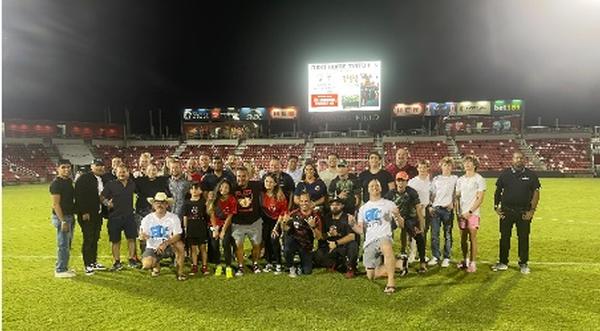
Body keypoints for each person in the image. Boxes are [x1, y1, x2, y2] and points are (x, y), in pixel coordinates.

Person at [492, 151, 541, 274]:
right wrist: (496, 206)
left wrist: (532, 210)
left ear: (524, 160)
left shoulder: (531, 175)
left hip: (524, 212)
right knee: (504, 238)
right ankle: (503, 262)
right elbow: (498, 191)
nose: (519, 160)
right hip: (506, 212)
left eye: (521, 158)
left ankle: (523, 263)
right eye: (516, 158)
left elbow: (536, 193)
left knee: (523, 238)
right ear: (512, 160)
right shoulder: (505, 174)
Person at [356, 179, 401, 294]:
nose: (374, 187)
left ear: (381, 188)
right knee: (371, 276)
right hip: (370, 241)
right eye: (371, 186)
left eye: (377, 185)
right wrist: (352, 224)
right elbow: (361, 230)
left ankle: (391, 283)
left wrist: (397, 216)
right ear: (368, 190)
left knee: (387, 247)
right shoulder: (363, 208)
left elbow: (401, 225)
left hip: (383, 236)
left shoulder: (389, 204)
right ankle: (398, 263)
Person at [385, 171, 428, 274]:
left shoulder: (412, 192)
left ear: (407, 182)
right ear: (396, 181)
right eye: (398, 180)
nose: (400, 183)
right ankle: (384, 259)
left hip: (410, 219)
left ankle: (422, 263)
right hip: (395, 218)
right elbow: (384, 207)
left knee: (419, 237)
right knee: (384, 236)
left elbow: (418, 209)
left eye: (403, 181)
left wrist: (421, 225)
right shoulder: (391, 193)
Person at [100, 164, 140, 271]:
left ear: (128, 173)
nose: (122, 174)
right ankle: (116, 261)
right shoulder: (111, 184)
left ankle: (132, 259)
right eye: (120, 172)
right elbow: (102, 196)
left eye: (124, 172)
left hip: (129, 216)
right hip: (114, 217)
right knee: (115, 240)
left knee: (131, 238)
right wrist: (107, 203)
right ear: (116, 173)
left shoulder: (132, 184)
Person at [140, 192, 187, 281]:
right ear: (153, 205)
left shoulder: (173, 217)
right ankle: (156, 266)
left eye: (162, 203)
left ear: (167, 205)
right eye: (157, 202)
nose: (159, 205)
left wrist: (165, 243)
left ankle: (180, 272)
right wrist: (142, 236)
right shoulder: (147, 218)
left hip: (169, 245)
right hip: (153, 247)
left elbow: (178, 235)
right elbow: (142, 234)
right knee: (147, 265)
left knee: (180, 246)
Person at [277, 192, 323, 278]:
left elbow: (319, 237)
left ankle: (300, 264)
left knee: (307, 271)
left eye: (306, 201)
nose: (303, 203)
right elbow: (285, 229)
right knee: (288, 244)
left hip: (306, 245)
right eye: (301, 201)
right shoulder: (294, 213)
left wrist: (313, 227)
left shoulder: (315, 217)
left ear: (310, 202)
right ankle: (291, 267)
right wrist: (284, 222)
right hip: (293, 241)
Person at [74, 158, 107, 275]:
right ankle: (87, 264)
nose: (100, 167)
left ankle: (93, 262)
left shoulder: (101, 179)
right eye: (97, 165)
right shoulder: (84, 178)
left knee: (95, 238)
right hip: (87, 214)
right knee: (88, 239)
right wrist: (84, 212)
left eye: (102, 165)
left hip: (97, 213)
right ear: (92, 166)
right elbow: (79, 196)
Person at [314, 197, 359, 278]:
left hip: (343, 247)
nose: (334, 207)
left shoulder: (347, 217)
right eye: (332, 205)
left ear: (342, 206)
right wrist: (328, 234)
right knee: (317, 255)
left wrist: (336, 243)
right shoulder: (326, 218)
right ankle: (335, 264)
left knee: (353, 245)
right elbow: (322, 237)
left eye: (337, 205)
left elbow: (352, 236)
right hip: (330, 247)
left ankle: (350, 268)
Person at [455, 155, 486, 273]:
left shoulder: (479, 179)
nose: (467, 164)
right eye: (465, 162)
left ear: (474, 165)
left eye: (470, 162)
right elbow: (457, 197)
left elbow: (480, 198)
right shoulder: (460, 180)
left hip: (473, 213)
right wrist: (458, 212)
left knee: (472, 237)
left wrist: (470, 211)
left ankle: (473, 263)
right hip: (461, 214)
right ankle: (465, 260)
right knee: (463, 238)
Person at [232, 166, 263, 276]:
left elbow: (271, 186)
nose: (241, 178)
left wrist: (278, 191)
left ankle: (255, 264)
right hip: (237, 222)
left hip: (254, 221)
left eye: (244, 176)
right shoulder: (232, 187)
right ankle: (240, 266)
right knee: (238, 245)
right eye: (239, 176)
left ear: (248, 176)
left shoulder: (256, 185)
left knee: (256, 245)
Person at [134, 163, 171, 251]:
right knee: (143, 233)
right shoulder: (139, 180)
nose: (152, 172)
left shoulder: (162, 180)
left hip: (157, 212)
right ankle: (144, 254)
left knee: (158, 233)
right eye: (150, 170)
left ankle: (158, 253)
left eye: (154, 170)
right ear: (146, 171)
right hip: (142, 211)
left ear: (157, 171)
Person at [428, 157, 458, 267]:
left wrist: (453, 204)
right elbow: (432, 194)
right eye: (445, 165)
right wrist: (430, 206)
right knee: (434, 235)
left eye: (449, 165)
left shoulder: (455, 178)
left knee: (448, 235)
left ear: (452, 167)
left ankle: (446, 257)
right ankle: (435, 256)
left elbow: (457, 193)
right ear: (441, 166)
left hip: (448, 210)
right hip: (436, 209)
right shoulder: (436, 179)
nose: (447, 167)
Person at [50, 159, 76, 278]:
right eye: (63, 167)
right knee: (63, 244)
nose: (66, 169)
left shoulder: (69, 181)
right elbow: (56, 204)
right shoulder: (56, 183)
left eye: (68, 167)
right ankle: (60, 269)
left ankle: (64, 266)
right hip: (62, 217)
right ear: (58, 169)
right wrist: (63, 221)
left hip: (70, 216)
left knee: (67, 243)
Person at [207, 179, 238, 278]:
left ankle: (228, 265)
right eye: (222, 187)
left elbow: (229, 216)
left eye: (226, 187)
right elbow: (212, 215)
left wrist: (223, 231)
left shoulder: (232, 199)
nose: (223, 189)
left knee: (225, 243)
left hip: (226, 224)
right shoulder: (215, 198)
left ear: (229, 189)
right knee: (215, 244)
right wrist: (216, 230)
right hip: (214, 224)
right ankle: (218, 265)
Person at [260, 173, 289, 274]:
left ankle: (278, 263)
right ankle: (268, 262)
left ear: (275, 183)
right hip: (265, 221)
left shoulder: (280, 196)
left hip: (276, 221)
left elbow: (283, 212)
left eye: (271, 182)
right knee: (266, 240)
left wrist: (276, 227)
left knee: (274, 240)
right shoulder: (261, 194)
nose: (268, 184)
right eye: (266, 181)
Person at [407, 160, 432, 262]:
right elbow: (408, 196)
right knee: (413, 233)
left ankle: (422, 253)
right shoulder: (412, 181)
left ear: (427, 168)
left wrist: (429, 205)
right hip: (414, 210)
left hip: (425, 209)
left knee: (423, 232)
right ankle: (412, 254)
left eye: (424, 167)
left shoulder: (430, 182)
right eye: (420, 167)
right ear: (417, 169)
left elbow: (433, 196)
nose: (422, 169)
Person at [183, 183, 210, 276]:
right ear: (189, 191)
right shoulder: (187, 202)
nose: (194, 190)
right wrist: (186, 228)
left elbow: (207, 215)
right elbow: (185, 216)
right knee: (193, 248)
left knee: (202, 247)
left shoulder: (203, 202)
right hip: (191, 226)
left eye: (196, 189)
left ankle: (204, 265)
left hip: (201, 226)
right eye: (192, 189)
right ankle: (194, 265)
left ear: (200, 191)